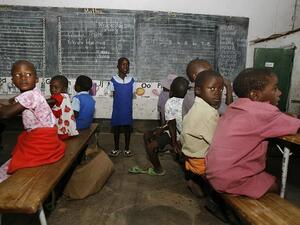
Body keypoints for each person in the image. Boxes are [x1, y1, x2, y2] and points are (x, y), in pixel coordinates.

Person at [206, 68, 300, 199]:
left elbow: (270, 117)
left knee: (266, 176)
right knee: (277, 184)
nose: (280, 93)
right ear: (255, 95)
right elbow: (297, 125)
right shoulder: (264, 113)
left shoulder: (235, 107)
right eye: (274, 89)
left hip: (214, 174)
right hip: (232, 180)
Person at [0, 60, 65, 175]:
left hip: (42, 142)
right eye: (18, 75)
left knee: (13, 166)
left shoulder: (30, 95)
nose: (23, 78)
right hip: (49, 139)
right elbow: (14, 101)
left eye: (28, 74)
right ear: (13, 80)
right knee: (21, 143)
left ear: (36, 79)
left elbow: (5, 113)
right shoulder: (34, 92)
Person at [128, 77, 189, 175]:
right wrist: (163, 128)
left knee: (150, 146)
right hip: (175, 132)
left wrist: (174, 143)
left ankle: (158, 169)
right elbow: (173, 123)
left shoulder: (173, 102)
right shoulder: (182, 101)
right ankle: (154, 158)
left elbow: (173, 123)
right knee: (147, 134)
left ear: (172, 90)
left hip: (181, 135)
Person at [180, 70, 223, 197]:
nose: (217, 93)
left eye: (220, 89)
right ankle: (215, 199)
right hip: (200, 160)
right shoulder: (209, 113)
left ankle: (196, 182)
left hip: (190, 154)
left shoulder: (197, 106)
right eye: (212, 88)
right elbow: (216, 142)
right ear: (198, 90)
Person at [109, 57, 135, 157]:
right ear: (118, 66)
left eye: (127, 64)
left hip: (127, 110)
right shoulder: (113, 80)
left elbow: (130, 94)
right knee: (116, 129)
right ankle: (116, 148)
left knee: (127, 129)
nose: (125, 66)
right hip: (117, 110)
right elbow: (114, 94)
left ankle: (127, 149)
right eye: (123, 64)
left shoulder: (132, 81)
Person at [48, 75, 78, 140]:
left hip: (62, 121)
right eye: (51, 87)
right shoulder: (66, 96)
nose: (53, 90)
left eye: (56, 88)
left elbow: (52, 101)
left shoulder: (60, 96)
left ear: (64, 89)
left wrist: (40, 101)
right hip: (65, 120)